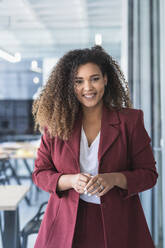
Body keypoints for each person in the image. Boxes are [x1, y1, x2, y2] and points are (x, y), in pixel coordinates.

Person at [32, 45, 158, 248]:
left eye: (94, 79)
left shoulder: (130, 121)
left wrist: (114, 178)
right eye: (79, 81)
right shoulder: (56, 124)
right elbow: (40, 173)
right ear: (70, 86)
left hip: (119, 224)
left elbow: (149, 174)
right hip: (66, 225)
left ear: (106, 79)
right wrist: (70, 180)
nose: (88, 88)